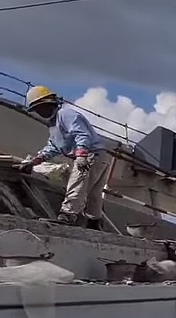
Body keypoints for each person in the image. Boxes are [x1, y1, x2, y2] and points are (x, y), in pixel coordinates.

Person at [15, 85, 108, 229]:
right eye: (37, 110)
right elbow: (53, 147)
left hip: (90, 155)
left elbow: (82, 134)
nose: (39, 113)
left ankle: (67, 216)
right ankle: (94, 223)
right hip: (98, 155)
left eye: (40, 108)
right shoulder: (54, 124)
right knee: (94, 193)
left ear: (49, 104)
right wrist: (34, 161)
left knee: (77, 184)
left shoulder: (65, 115)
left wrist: (82, 155)